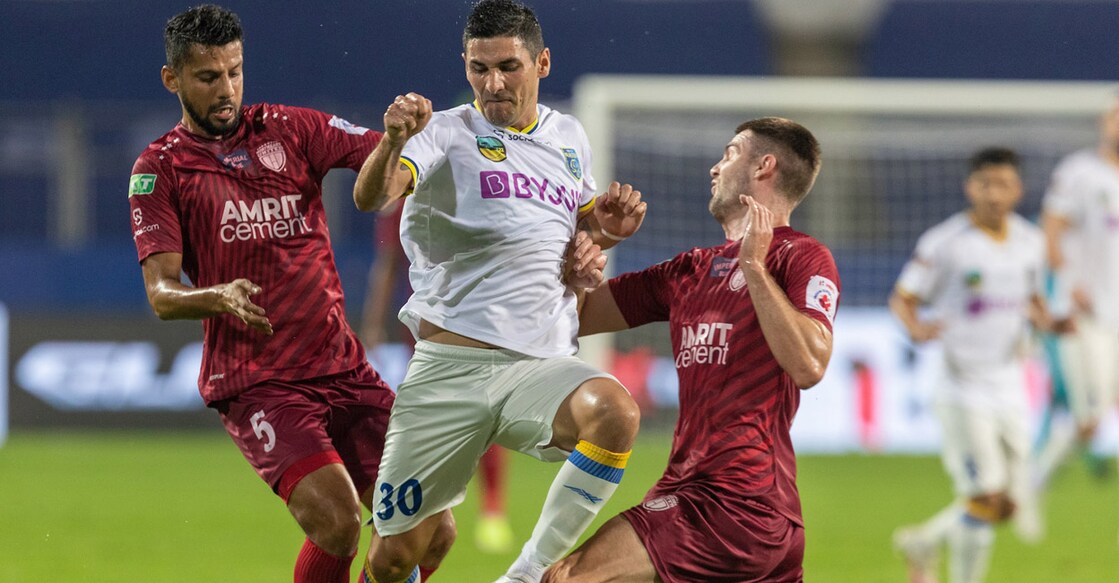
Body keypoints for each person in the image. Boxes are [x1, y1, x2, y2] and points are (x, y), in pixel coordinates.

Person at [351, 1, 647, 582]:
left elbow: (573, 230)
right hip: (448, 369)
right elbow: (373, 196)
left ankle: (528, 573)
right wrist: (389, 142)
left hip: (537, 367)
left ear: (541, 62)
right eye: (478, 68)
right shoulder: (445, 132)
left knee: (615, 412)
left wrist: (603, 233)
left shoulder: (569, 137)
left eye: (508, 67)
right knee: (396, 559)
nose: (492, 84)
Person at [129, 5, 402, 582]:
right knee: (338, 522)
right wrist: (217, 295)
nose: (226, 89)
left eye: (234, 72)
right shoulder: (160, 169)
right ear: (172, 79)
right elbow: (160, 293)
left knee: (423, 527)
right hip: (259, 383)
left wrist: (400, 139)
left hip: (344, 369)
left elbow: (386, 162)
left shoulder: (291, 128)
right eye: (208, 77)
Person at [545, 117, 838, 582]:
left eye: (729, 153)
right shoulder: (690, 270)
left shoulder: (800, 256)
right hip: (712, 498)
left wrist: (756, 271)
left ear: (765, 166)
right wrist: (600, 241)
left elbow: (809, 365)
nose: (714, 167)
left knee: (569, 576)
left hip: (736, 503)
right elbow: (576, 316)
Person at [889, 147, 1061, 583]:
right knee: (984, 497)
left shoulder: (1031, 242)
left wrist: (1047, 321)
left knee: (1007, 503)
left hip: (1010, 385)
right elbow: (903, 298)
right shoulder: (945, 243)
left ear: (1018, 190)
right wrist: (915, 327)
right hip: (961, 388)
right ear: (970, 187)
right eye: (985, 183)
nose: (994, 193)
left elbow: (1035, 300)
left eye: (1003, 184)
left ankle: (924, 542)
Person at [360, 200, 515, 554]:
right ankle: (416, 508)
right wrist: (372, 323)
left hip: (481, 327)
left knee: (487, 413)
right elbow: (388, 263)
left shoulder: (477, 188)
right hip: (424, 335)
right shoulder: (404, 199)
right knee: (420, 423)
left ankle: (491, 509)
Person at [1034, 98, 1119, 490]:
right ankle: (1029, 485)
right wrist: (1068, 284)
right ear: (1106, 121)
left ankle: (1030, 482)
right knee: (1089, 418)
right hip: (1088, 315)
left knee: (1091, 421)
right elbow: (1051, 230)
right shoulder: (1080, 171)